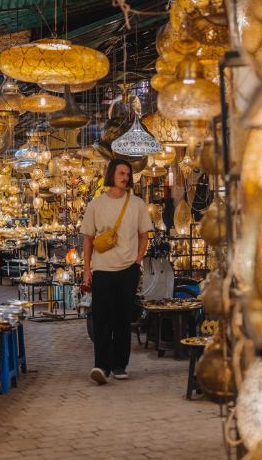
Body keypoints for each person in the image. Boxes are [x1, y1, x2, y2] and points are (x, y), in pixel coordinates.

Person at [81, 158, 152, 384]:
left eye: (128, 174)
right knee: (102, 319)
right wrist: (87, 270)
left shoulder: (137, 204)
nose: (126, 177)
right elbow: (88, 239)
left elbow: (144, 235)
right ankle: (101, 366)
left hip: (128, 270)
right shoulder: (96, 205)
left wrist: (137, 262)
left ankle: (120, 365)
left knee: (122, 319)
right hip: (102, 269)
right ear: (112, 174)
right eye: (122, 173)